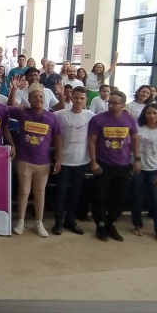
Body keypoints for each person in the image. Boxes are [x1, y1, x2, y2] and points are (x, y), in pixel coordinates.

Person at [7, 82, 62, 238]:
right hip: (24, 160)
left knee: (40, 193)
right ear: (29, 100)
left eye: (41, 97)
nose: (38, 99)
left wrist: (59, 158)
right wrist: (14, 90)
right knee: (24, 192)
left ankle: (39, 222)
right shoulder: (23, 113)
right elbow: (7, 108)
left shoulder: (52, 117)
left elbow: (58, 138)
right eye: (35, 97)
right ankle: (20, 221)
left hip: (43, 162)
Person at [87, 90, 140, 242]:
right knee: (100, 196)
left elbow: (135, 138)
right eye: (109, 102)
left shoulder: (129, 118)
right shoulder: (97, 119)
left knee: (119, 198)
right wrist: (93, 162)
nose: (111, 105)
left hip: (123, 164)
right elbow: (91, 141)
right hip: (104, 164)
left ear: (123, 105)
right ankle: (100, 225)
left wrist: (137, 159)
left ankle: (112, 224)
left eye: (115, 103)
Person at [52, 87, 95, 236]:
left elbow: (106, 119)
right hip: (64, 161)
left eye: (82, 98)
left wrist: (125, 110)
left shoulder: (91, 116)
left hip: (81, 162)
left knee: (76, 193)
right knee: (61, 193)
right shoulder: (60, 115)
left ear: (86, 100)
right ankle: (58, 222)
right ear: (71, 98)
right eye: (76, 98)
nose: (79, 101)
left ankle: (70, 220)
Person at [130, 104, 157, 243]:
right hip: (138, 170)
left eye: (155, 113)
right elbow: (131, 147)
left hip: (155, 171)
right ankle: (137, 225)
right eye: (149, 113)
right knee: (136, 198)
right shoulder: (138, 129)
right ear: (144, 114)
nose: (152, 116)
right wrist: (135, 161)